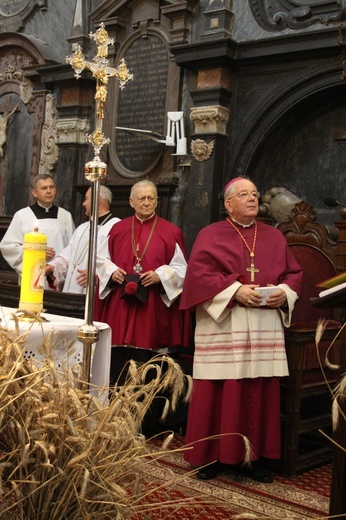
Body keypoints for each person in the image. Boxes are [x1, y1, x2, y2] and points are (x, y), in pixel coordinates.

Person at [179, 176, 303, 483]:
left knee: (257, 389)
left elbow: (293, 274)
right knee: (218, 389)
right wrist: (234, 291)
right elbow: (197, 278)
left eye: (255, 194)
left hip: (263, 324)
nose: (251, 198)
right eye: (244, 194)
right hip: (226, 323)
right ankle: (209, 455)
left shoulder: (274, 235)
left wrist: (284, 294)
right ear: (228, 204)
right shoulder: (211, 234)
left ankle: (253, 457)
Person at [95, 179, 190, 434]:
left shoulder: (171, 232)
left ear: (157, 201)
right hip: (121, 305)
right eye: (142, 198)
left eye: (151, 198)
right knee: (120, 359)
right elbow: (99, 259)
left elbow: (182, 269)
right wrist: (111, 271)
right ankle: (115, 418)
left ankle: (149, 424)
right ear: (131, 201)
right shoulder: (116, 230)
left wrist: (161, 275)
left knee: (150, 359)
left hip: (153, 310)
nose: (146, 203)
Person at [45, 185, 120, 293]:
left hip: (94, 292)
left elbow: (118, 262)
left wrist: (96, 274)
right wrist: (50, 267)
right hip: (71, 290)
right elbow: (68, 256)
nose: (83, 203)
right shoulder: (82, 227)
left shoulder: (116, 226)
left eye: (86, 199)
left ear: (97, 201)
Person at [0, 173, 75, 282]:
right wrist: (37, 251)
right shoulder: (22, 215)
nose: (49, 191)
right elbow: (8, 247)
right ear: (35, 193)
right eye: (44, 188)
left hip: (59, 277)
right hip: (33, 275)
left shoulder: (66, 216)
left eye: (51, 187)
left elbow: (72, 247)